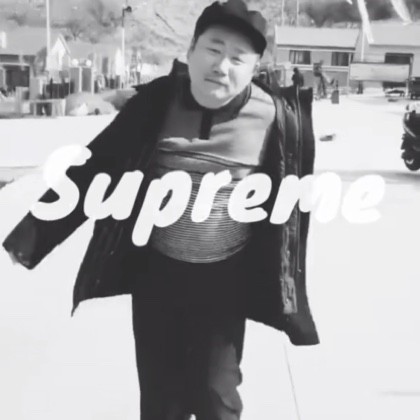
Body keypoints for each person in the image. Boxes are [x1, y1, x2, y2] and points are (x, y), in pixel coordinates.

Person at [2, 0, 319, 419]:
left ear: (254, 68)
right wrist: (31, 237)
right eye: (213, 49)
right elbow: (94, 170)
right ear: (191, 51)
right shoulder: (155, 105)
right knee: (161, 403)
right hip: (158, 275)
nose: (221, 65)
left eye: (237, 58)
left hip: (224, 281)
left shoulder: (276, 117)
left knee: (216, 396)